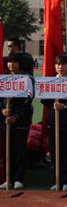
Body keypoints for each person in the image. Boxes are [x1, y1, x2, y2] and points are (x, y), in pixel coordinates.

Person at [41, 54, 67, 191]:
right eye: (58, 64)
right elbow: (44, 100)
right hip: (53, 120)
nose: (60, 67)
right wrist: (51, 96)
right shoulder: (51, 81)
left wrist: (65, 106)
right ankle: (57, 179)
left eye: (63, 64)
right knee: (54, 151)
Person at [0, 53, 34, 190]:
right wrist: (2, 110)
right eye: (9, 62)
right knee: (7, 150)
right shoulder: (3, 79)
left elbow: (28, 100)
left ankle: (19, 178)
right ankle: (8, 178)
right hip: (4, 121)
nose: (11, 65)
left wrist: (17, 116)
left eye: (14, 62)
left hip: (20, 122)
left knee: (19, 150)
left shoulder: (27, 79)